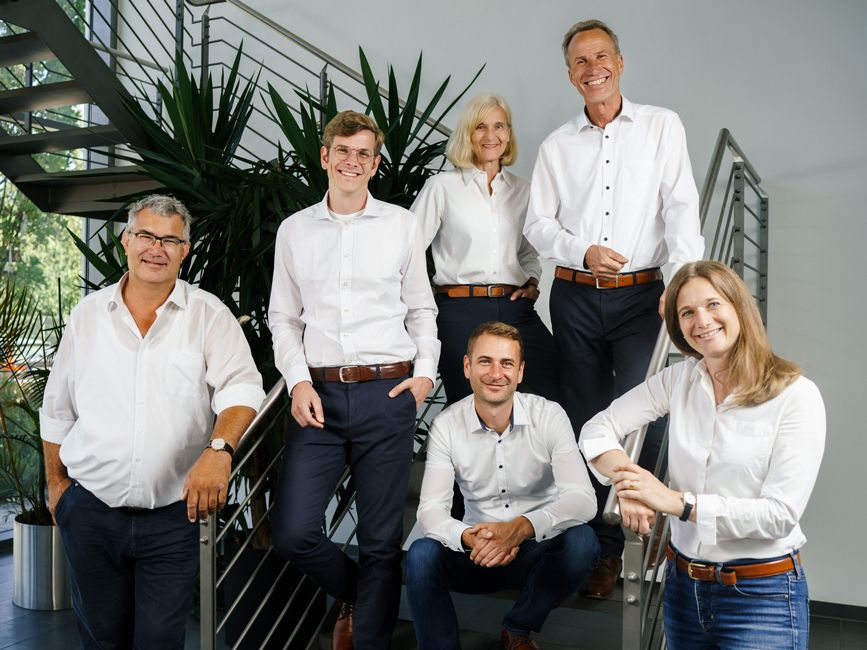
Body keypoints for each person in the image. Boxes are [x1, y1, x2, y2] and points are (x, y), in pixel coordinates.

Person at [522, 18, 705, 598]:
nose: (592, 68)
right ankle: (605, 549)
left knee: (642, 413)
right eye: (580, 61)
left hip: (642, 298)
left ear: (620, 64)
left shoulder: (661, 126)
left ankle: (647, 532)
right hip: (575, 295)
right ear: (570, 75)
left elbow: (681, 209)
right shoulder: (556, 145)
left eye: (601, 56)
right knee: (584, 417)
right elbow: (537, 225)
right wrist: (581, 251)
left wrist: (680, 286)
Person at [39, 194, 265, 649]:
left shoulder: (209, 315)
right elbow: (58, 408)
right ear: (126, 240)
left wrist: (218, 451)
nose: (156, 248)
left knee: (159, 640)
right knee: (101, 639)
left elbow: (242, 389)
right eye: (145, 235)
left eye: (169, 240)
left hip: (172, 519)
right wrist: (58, 489)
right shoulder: (88, 316)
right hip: (91, 512)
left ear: (185, 250)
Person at [579, 261, 825, 649]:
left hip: (762, 595)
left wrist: (677, 503)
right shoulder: (678, 380)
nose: (702, 321)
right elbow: (597, 429)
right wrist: (630, 483)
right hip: (683, 588)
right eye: (687, 312)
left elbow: (779, 515)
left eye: (713, 304)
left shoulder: (796, 395)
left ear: (739, 307)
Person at [268, 110, 439, 650]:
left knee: (381, 542)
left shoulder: (401, 225)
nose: (352, 161)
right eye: (343, 151)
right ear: (325, 157)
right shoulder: (295, 230)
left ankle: (370, 640)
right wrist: (297, 382)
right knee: (293, 531)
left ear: (375, 163)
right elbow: (283, 319)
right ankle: (359, 594)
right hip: (317, 396)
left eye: (364, 153)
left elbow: (422, 309)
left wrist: (425, 376)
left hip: (386, 394)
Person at [406, 322, 598, 650]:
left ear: (520, 372)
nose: (496, 373)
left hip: (536, 551)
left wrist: (520, 528)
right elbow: (430, 511)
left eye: (506, 363)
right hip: (477, 551)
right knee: (420, 554)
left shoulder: (549, 415)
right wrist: (468, 537)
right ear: (467, 367)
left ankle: (517, 628)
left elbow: (583, 499)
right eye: (485, 361)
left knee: (582, 541)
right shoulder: (446, 425)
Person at [411, 93, 559, 405]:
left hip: (515, 308)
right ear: (468, 134)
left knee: (551, 389)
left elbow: (528, 253)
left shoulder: (524, 191)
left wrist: (532, 281)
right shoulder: (442, 188)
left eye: (499, 126)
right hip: (459, 309)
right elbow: (407, 253)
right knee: (468, 404)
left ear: (509, 133)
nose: (491, 135)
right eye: (480, 127)